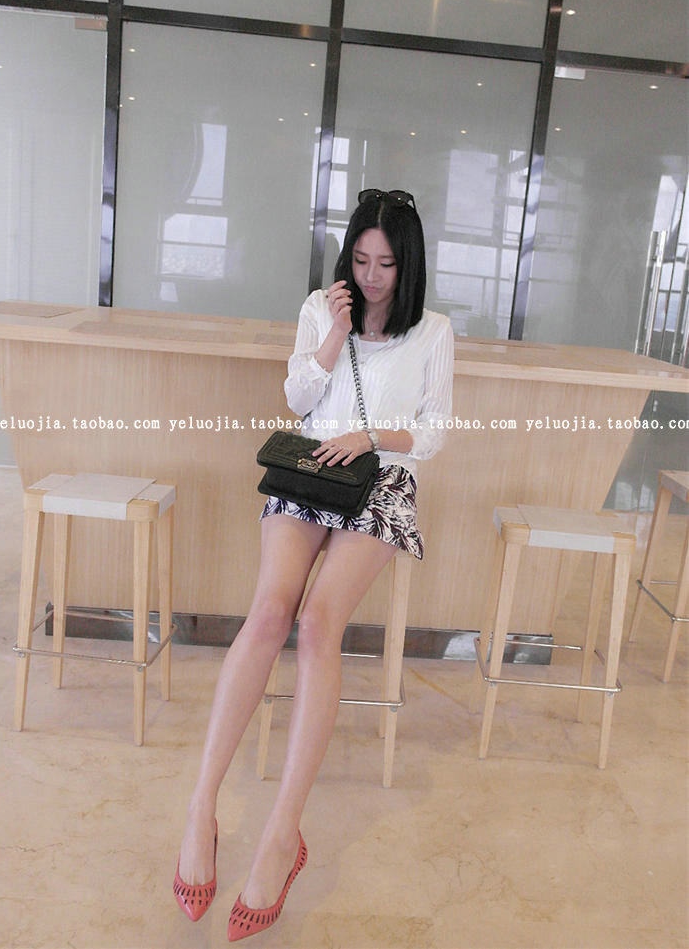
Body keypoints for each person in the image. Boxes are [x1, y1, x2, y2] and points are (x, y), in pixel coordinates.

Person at [173, 188, 454, 941]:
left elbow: (433, 432)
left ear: (408, 264)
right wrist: (332, 335)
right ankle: (201, 808)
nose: (371, 277)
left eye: (386, 264)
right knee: (269, 612)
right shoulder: (320, 308)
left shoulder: (433, 331)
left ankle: (282, 833)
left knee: (320, 624)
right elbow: (298, 396)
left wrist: (370, 436)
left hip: (381, 479)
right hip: (307, 471)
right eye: (360, 260)